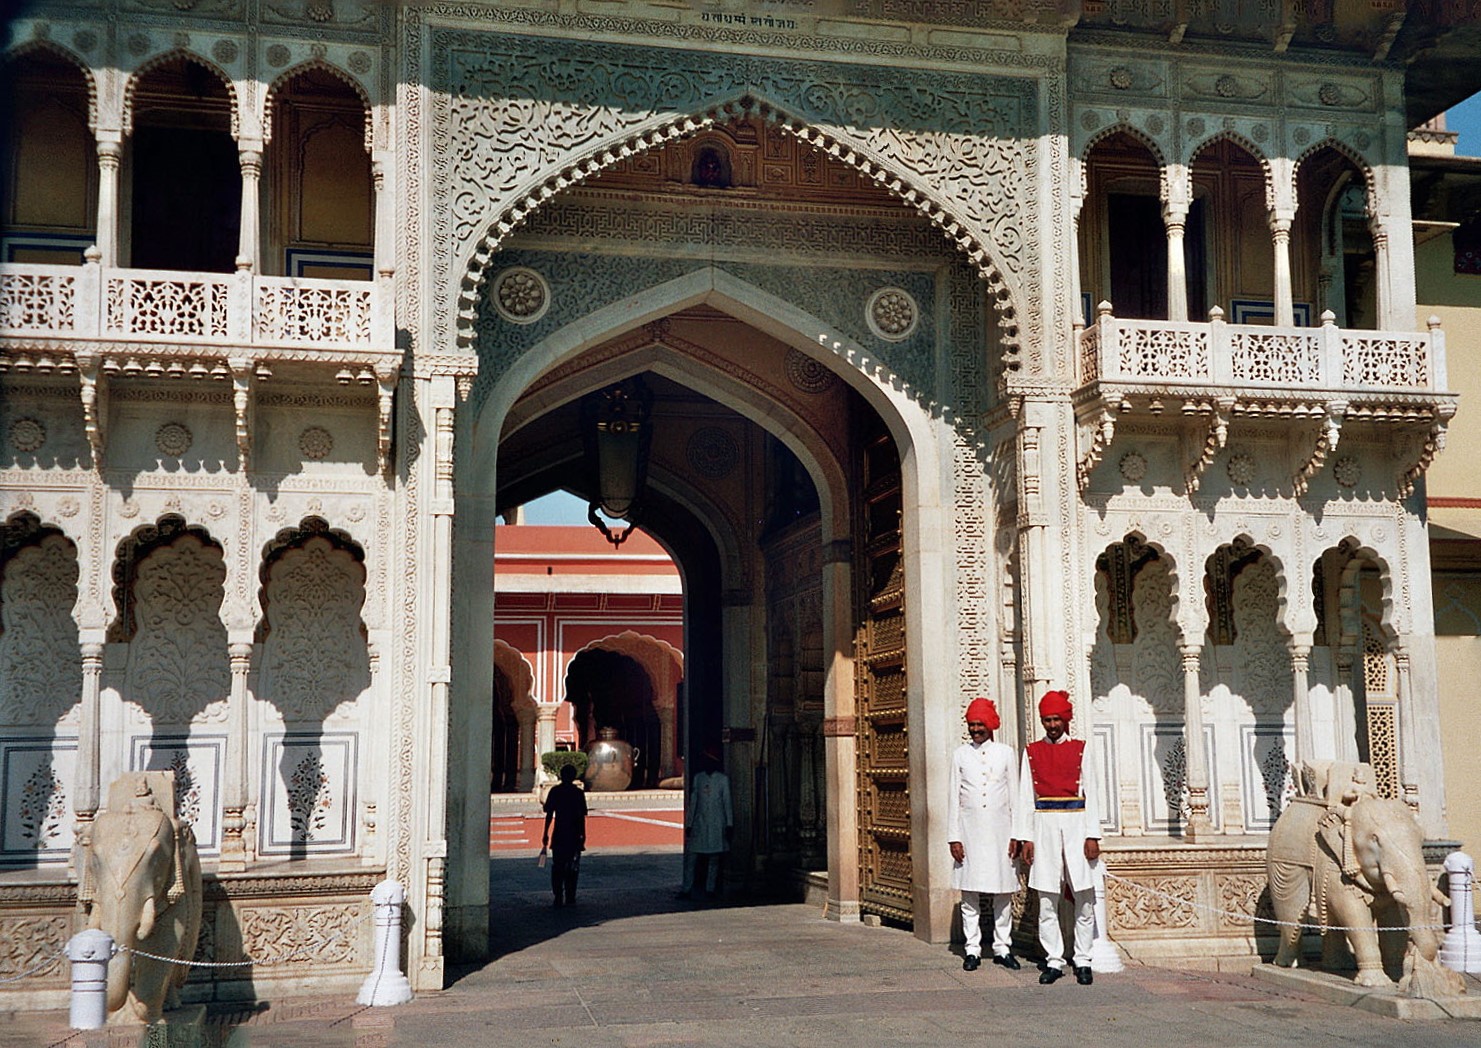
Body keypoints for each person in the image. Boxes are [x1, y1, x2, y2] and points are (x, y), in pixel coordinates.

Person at [1012, 689, 1102, 986]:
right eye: (1046, 720)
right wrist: (1026, 838)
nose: (1051, 725)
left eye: (1055, 719)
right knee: (1047, 899)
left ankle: (1084, 959)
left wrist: (1092, 835)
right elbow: (1026, 796)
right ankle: (1053, 959)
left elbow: (1092, 794)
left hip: (1076, 825)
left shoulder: (1081, 749)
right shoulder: (1032, 752)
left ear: (1065, 719)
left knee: (1084, 897)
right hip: (1045, 826)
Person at [947, 697, 1021, 972]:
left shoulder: (1006, 753)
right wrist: (954, 837)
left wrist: (1018, 834)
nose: (976, 729)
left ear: (990, 725)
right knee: (970, 894)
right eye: (972, 725)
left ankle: (1003, 947)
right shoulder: (960, 754)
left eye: (980, 724)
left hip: (1002, 832)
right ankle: (972, 949)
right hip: (970, 833)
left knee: (1003, 893)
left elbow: (1015, 795)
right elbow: (953, 797)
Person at [679, 747, 732, 898]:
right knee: (692, 858)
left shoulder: (722, 780)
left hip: (717, 823)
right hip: (700, 824)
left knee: (714, 860)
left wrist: (729, 824)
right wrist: (689, 824)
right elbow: (694, 803)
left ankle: (710, 889)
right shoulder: (698, 778)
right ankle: (686, 889)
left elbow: (727, 803)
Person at [542, 763, 587, 907]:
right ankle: (570, 894)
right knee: (573, 867)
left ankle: (558, 894)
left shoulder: (556, 791)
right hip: (574, 833)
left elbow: (549, 813)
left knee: (558, 866)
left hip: (560, 832)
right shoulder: (578, 793)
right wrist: (583, 836)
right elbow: (581, 817)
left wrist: (545, 833)